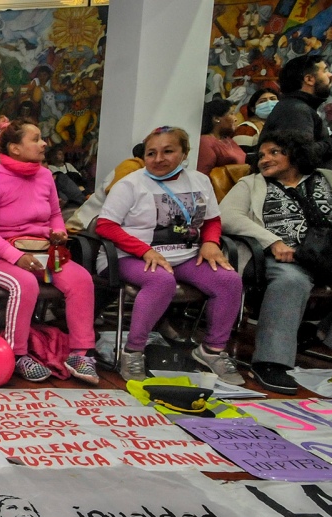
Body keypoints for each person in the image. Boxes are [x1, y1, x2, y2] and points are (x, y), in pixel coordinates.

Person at [221, 129, 332, 394]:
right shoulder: (252, 184)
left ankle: (319, 335)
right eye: (262, 154)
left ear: (295, 154)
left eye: (274, 152)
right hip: (283, 257)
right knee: (291, 281)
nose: (265, 159)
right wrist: (271, 241)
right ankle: (270, 363)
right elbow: (228, 215)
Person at [96, 126, 244, 384]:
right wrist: (144, 250)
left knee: (229, 280)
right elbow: (105, 226)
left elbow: (212, 220)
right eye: (151, 153)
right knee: (161, 280)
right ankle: (133, 352)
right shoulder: (130, 184)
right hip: (127, 256)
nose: (158, 159)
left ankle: (211, 351)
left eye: (168, 151)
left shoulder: (200, 181)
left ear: (184, 153)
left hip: (185, 255)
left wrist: (210, 242)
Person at [0, 120, 98, 384]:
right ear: (15, 148)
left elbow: (54, 214)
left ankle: (80, 353)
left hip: (42, 252)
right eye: (37, 139)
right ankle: (17, 355)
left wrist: (58, 232)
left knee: (81, 279)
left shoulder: (44, 175)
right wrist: (17, 257)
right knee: (25, 283)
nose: (44, 144)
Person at [264, 53, 332, 168]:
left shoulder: (297, 107)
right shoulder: (296, 110)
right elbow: (302, 154)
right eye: (325, 71)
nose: (330, 74)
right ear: (309, 79)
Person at [197, 98, 247, 176]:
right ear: (216, 119)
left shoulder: (227, 140)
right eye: (231, 114)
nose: (236, 119)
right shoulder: (206, 142)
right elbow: (202, 176)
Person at [234, 87, 279, 152]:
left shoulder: (281, 125)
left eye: (273, 99)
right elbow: (241, 157)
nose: (269, 103)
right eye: (262, 101)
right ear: (253, 109)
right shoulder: (245, 129)